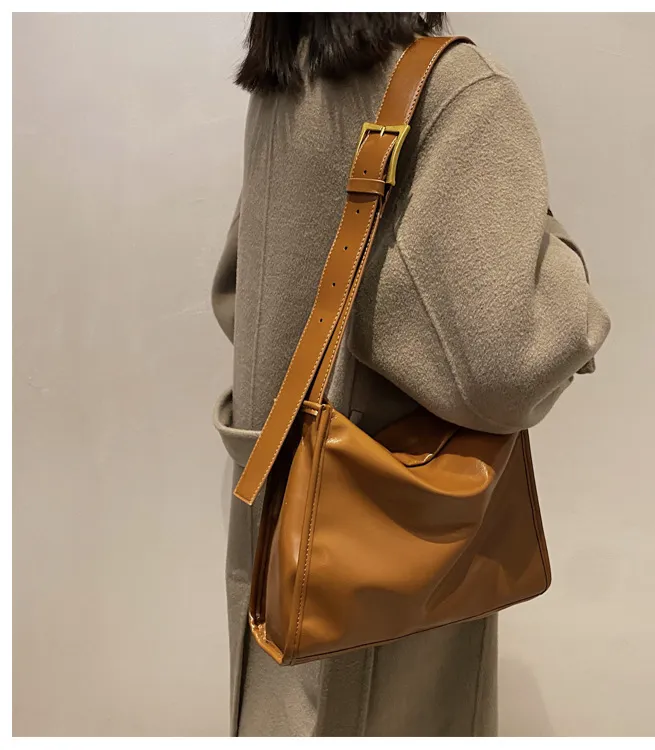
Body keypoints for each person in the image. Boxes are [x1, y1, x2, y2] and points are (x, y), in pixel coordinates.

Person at [211, 12, 610, 737]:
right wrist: (561, 262)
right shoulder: (453, 89)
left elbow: (239, 296)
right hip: (379, 582)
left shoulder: (286, 80)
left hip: (279, 545)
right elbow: (504, 366)